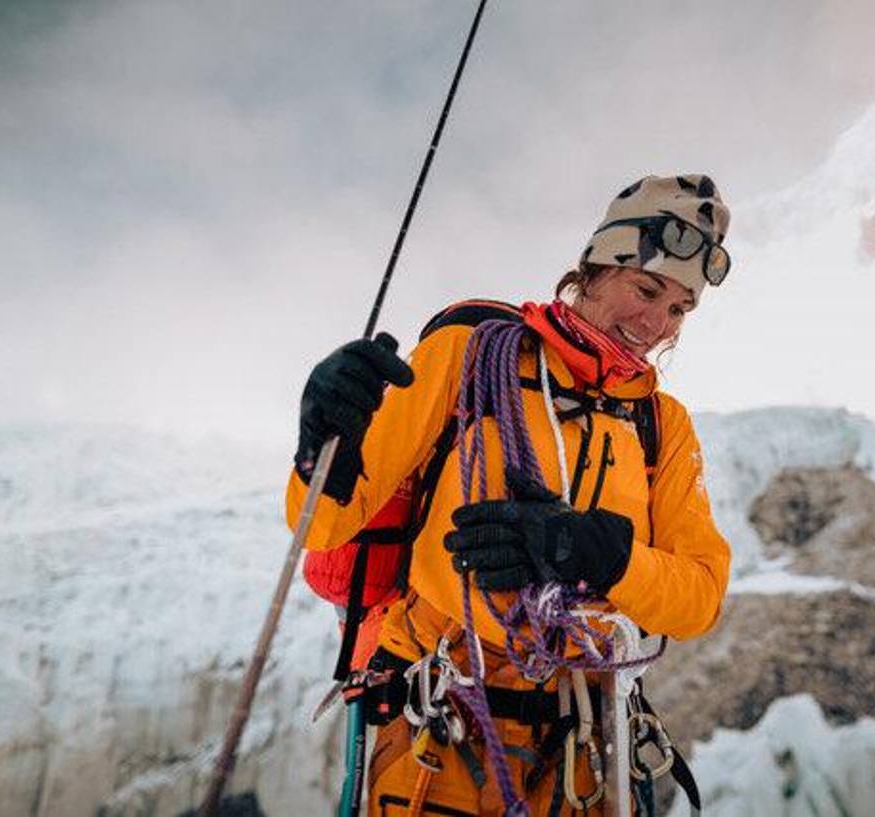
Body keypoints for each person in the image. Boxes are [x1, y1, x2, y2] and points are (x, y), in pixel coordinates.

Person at [287, 174, 734, 815]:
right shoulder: (469, 355)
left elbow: (699, 598)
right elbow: (323, 526)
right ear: (596, 269)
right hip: (441, 712)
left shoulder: (661, 425)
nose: (656, 323)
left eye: (678, 310)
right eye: (646, 289)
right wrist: (324, 445)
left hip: (583, 731)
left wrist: (601, 554)